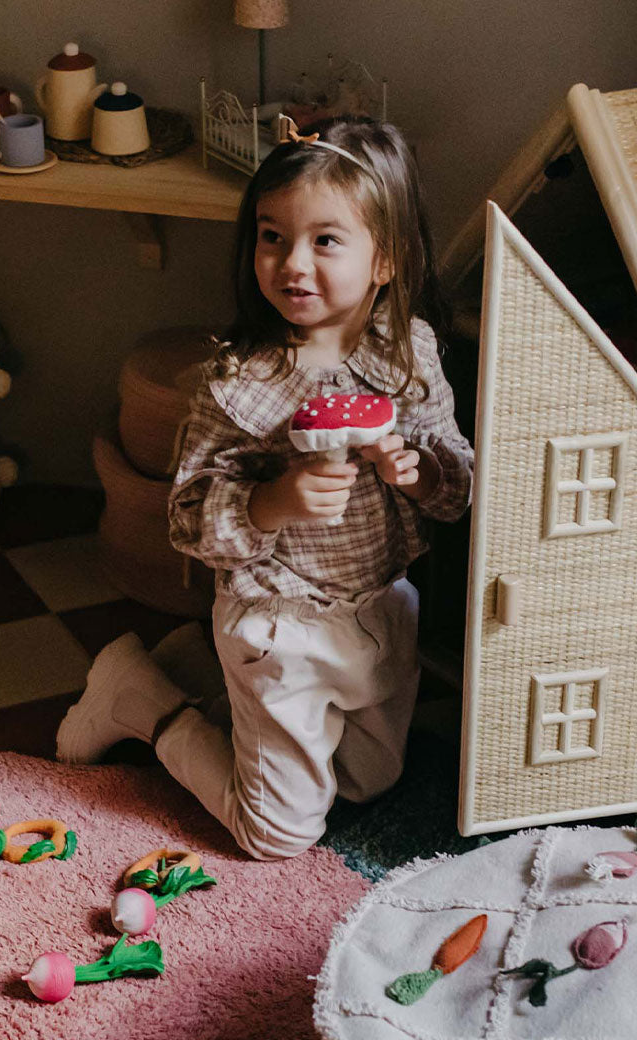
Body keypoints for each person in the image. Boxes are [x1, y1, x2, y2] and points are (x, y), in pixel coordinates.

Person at [56, 115, 474, 860]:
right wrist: (271, 500)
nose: (292, 263)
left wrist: (423, 469)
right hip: (277, 621)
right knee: (276, 835)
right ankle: (140, 698)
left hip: (378, 610)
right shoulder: (240, 384)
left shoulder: (409, 355)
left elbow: (457, 484)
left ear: (388, 259)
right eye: (271, 235)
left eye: (326, 239)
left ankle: (191, 664)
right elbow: (186, 518)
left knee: (368, 782)